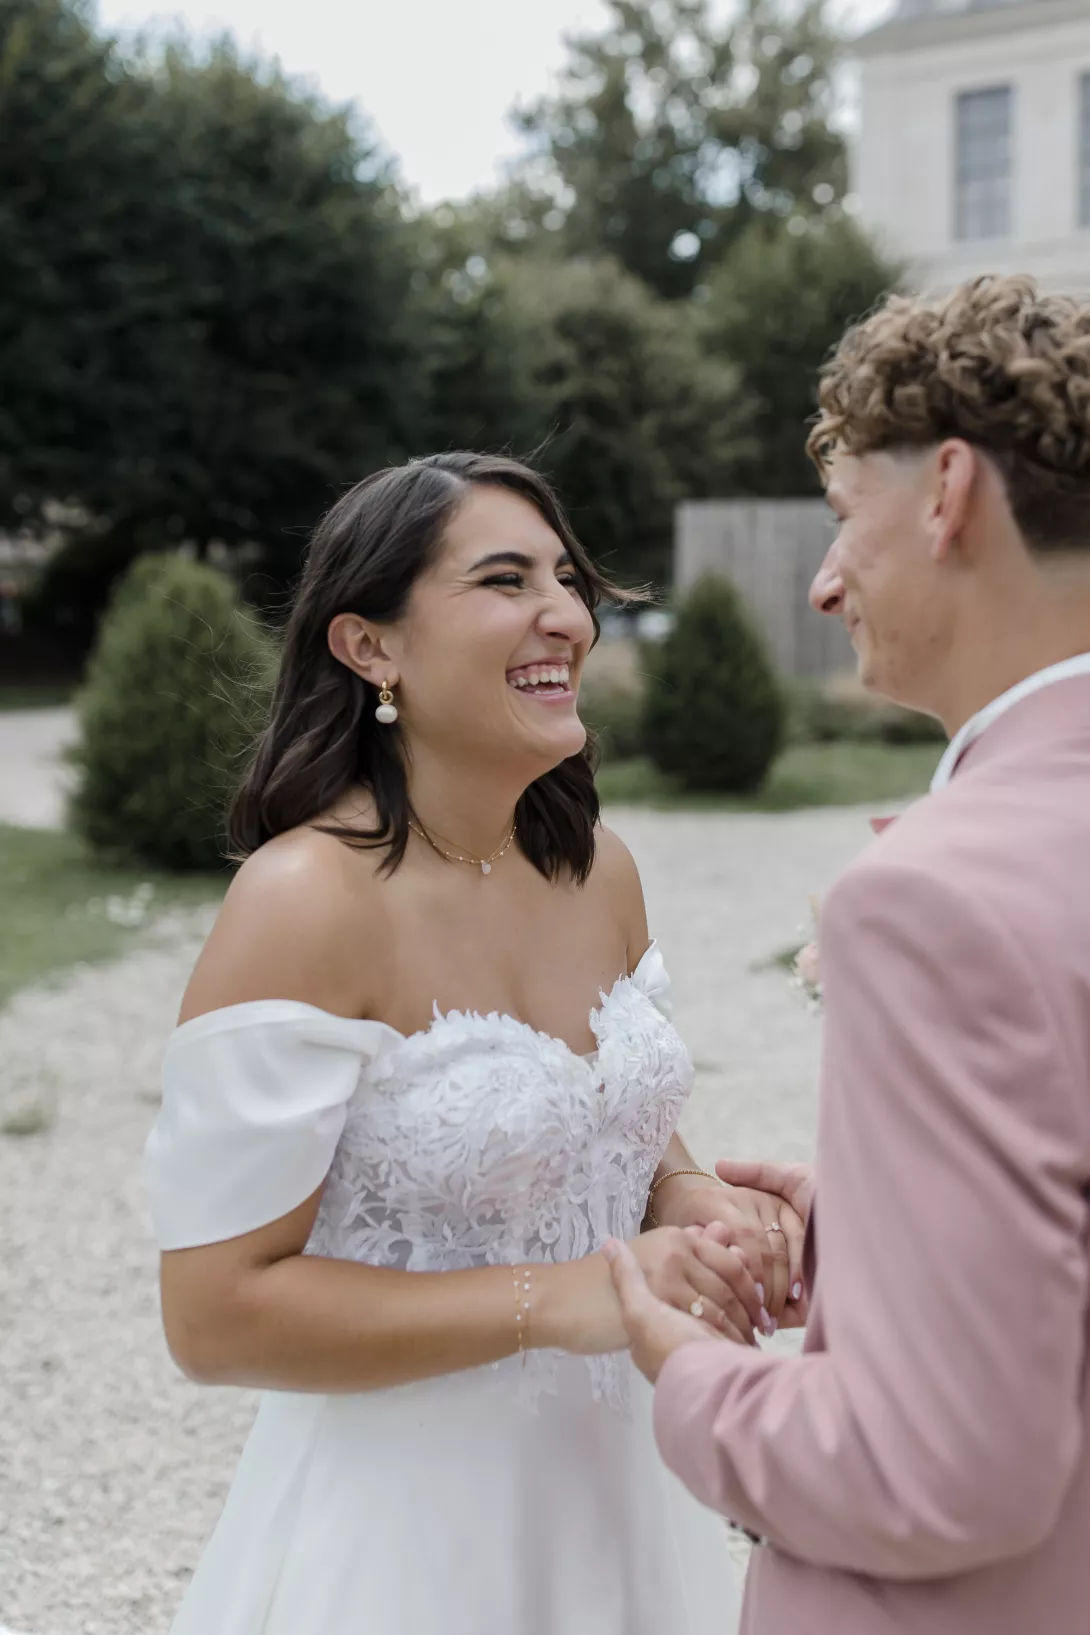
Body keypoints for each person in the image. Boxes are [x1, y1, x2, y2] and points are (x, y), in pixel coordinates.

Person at [143, 451, 805, 1635]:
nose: (564, 614)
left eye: (566, 577)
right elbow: (213, 1315)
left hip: (621, 1500)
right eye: (504, 580)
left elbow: (625, 1136)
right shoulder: (307, 900)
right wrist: (575, 1297)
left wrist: (698, 1203)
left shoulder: (597, 870)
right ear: (369, 647)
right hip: (410, 1539)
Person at [605, 274, 1090, 1635]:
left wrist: (683, 1366)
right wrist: (906, 1226)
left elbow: (934, 1474)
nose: (823, 583)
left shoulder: (938, 897)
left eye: (838, 521)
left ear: (945, 494)